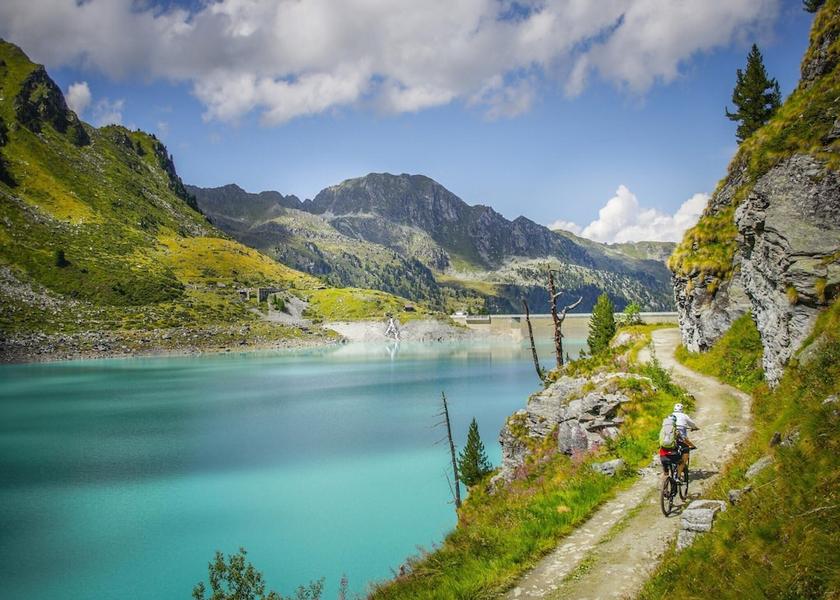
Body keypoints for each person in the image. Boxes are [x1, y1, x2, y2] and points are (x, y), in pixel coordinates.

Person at [671, 403, 699, 478]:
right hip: (681, 439)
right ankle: (678, 475)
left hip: (670, 439)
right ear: (682, 409)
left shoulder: (670, 416)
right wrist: (694, 427)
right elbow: (692, 424)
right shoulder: (684, 416)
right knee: (685, 451)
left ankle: (673, 467)